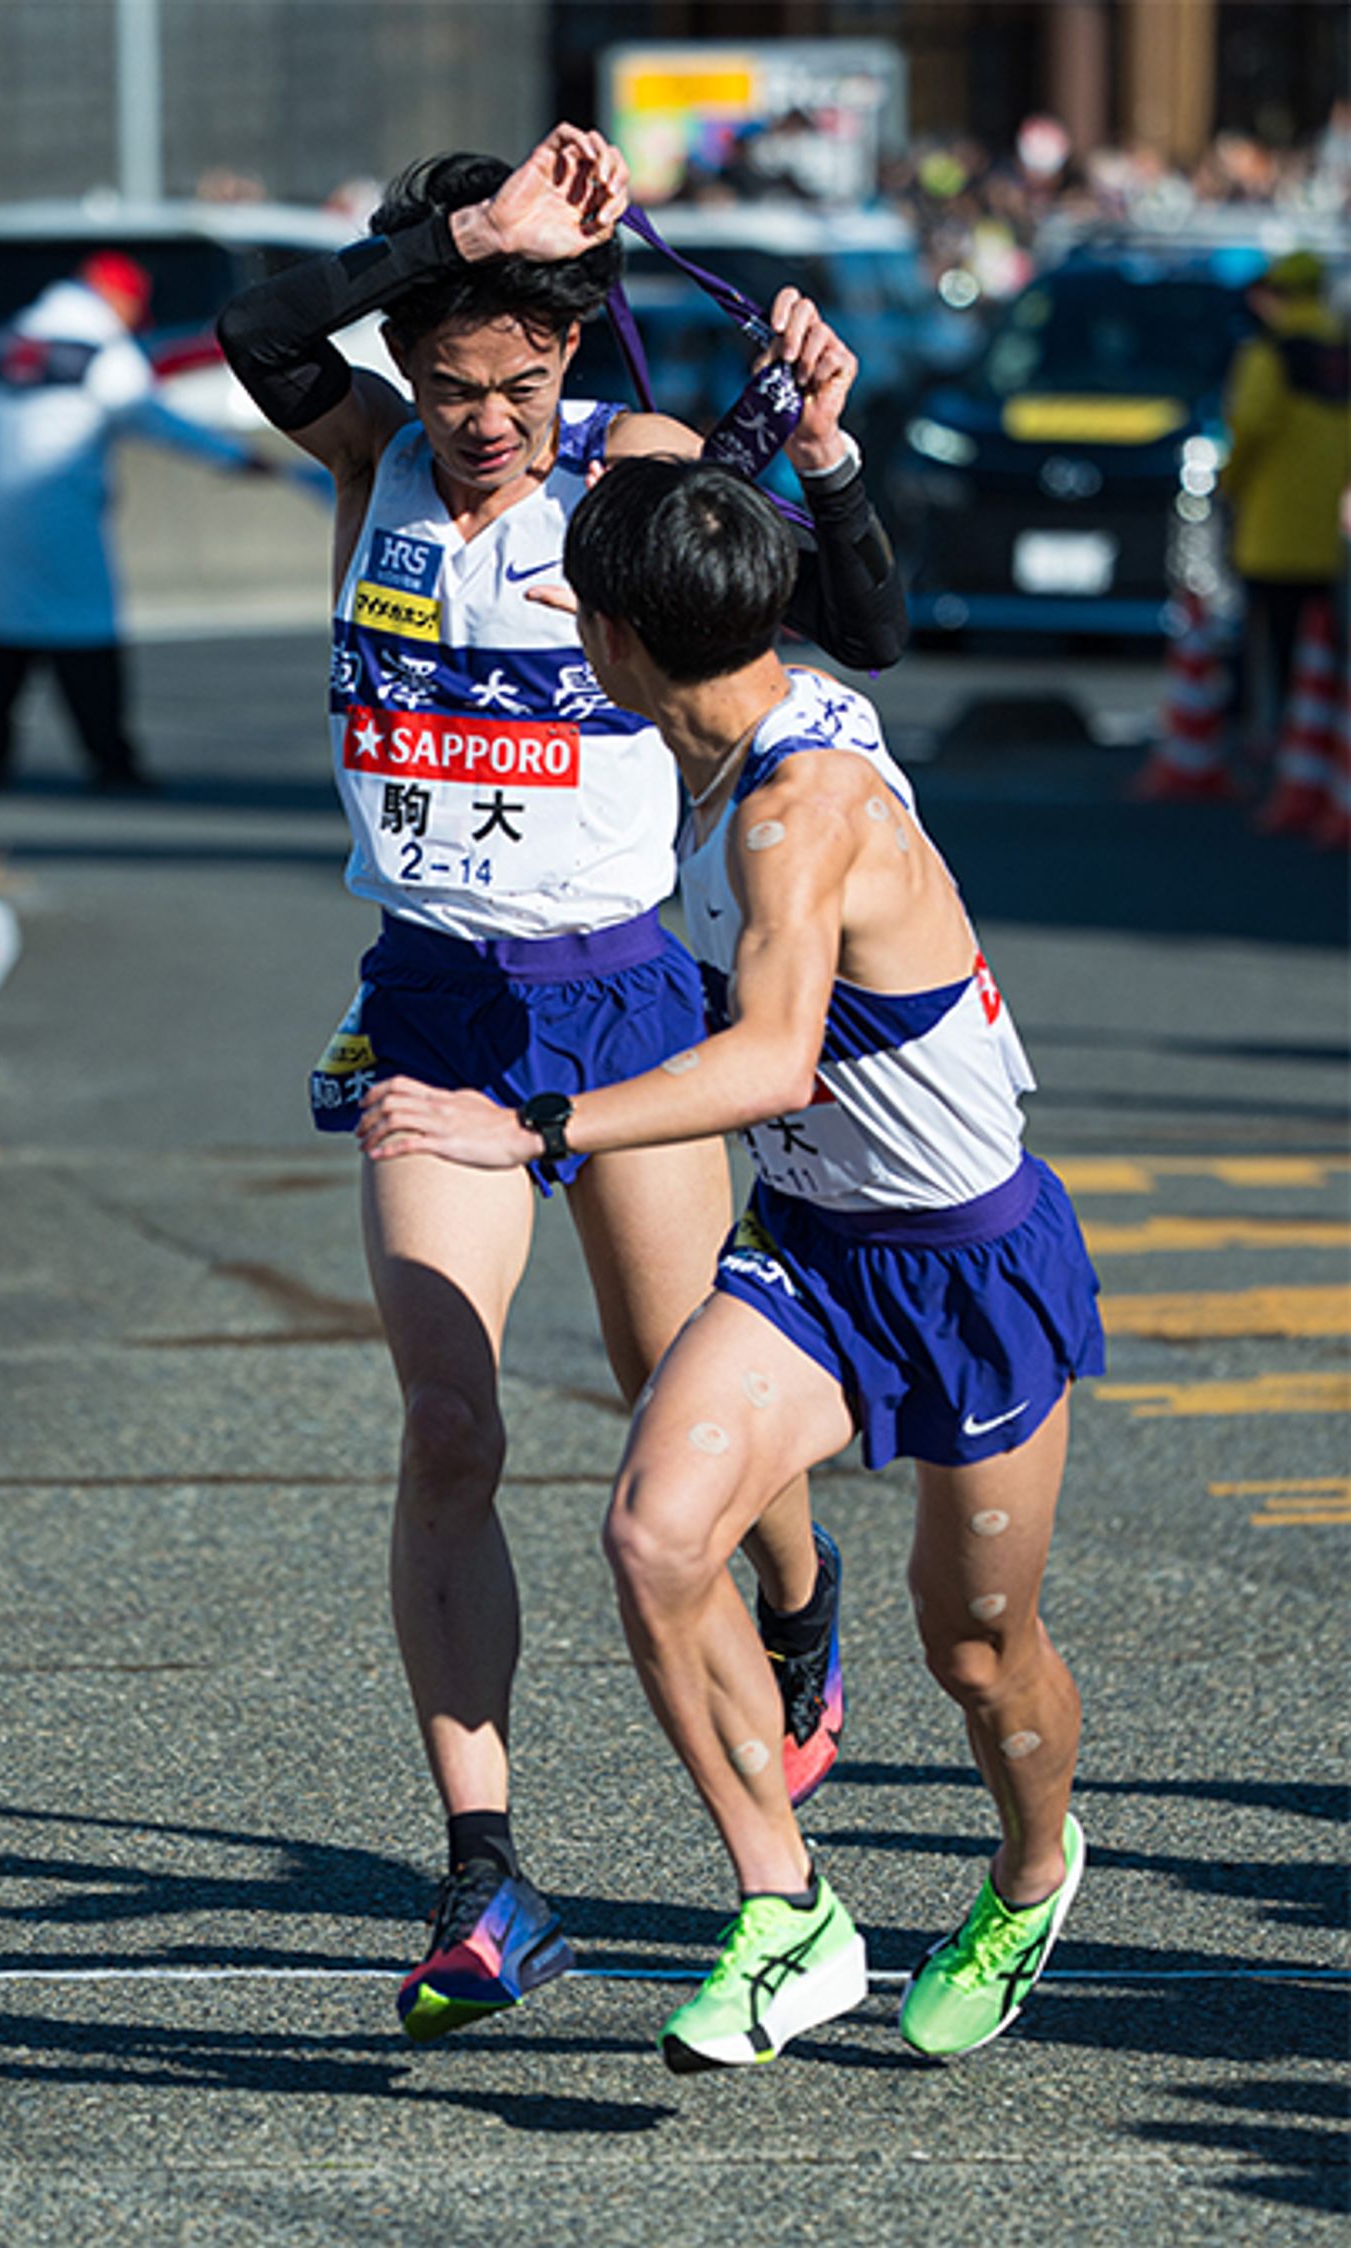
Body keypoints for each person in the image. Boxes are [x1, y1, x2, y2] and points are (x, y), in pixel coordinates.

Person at [215, 124, 907, 2041]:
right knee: (450, 1427)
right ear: (407, 368)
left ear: (575, 356)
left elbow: (859, 624)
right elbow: (257, 329)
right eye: (453, 385)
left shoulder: (629, 473)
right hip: (433, 1008)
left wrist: (825, 452)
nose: (486, 424)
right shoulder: (367, 460)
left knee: (685, 1406)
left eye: (521, 382)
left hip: (622, 1005)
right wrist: (468, 230)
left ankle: (797, 1595)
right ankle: (485, 1870)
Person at [359, 455, 1103, 2073]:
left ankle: (1035, 1871)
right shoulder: (723, 714)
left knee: (976, 1647)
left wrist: (526, 1123)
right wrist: (788, 476)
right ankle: (788, 1906)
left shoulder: (793, 811)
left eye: (585, 620)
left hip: (968, 1261)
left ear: (620, 640)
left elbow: (772, 1058)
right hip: (816, 1252)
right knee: (654, 1531)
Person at [0, 250, 276, 791]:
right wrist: (233, 456)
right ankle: (109, 759)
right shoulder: (103, 352)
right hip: (67, 514)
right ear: (117, 297)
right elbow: (154, 418)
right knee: (82, 632)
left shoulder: (0, 344)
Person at [1216, 250, 1351, 796]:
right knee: (1323, 645)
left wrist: (1229, 485)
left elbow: (1250, 426)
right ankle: (1322, 745)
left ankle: (1273, 746)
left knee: (1269, 644)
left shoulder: (1268, 353)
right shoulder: (1340, 355)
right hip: (1330, 530)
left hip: (1271, 525)